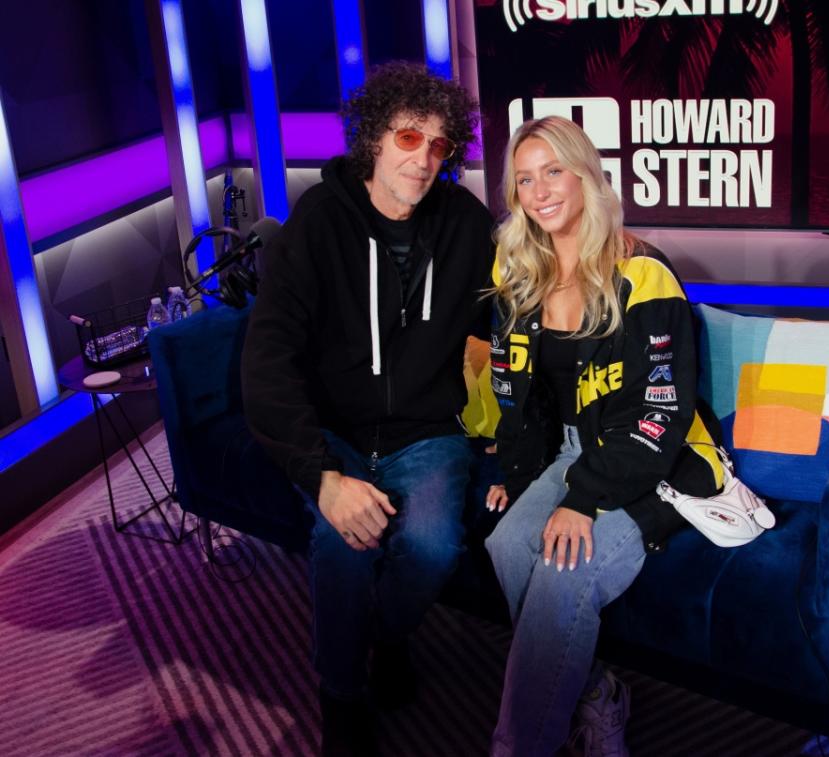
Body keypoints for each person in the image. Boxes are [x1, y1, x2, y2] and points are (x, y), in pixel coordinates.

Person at [241, 62, 494, 755]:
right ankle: (343, 695)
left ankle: (385, 633)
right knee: (342, 540)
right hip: (337, 430)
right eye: (409, 138)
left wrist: (605, 253)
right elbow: (266, 357)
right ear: (372, 139)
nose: (424, 159)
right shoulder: (319, 223)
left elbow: (500, 318)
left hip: (428, 430)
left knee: (434, 547)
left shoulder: (466, 223)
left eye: (439, 146)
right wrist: (321, 474)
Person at [484, 116, 725, 757]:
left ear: (587, 174)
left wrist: (582, 496)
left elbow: (661, 411)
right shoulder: (518, 275)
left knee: (566, 571)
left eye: (553, 171)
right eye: (525, 179)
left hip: (651, 456)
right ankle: (595, 694)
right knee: (508, 548)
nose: (540, 191)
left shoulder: (644, 273)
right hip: (566, 451)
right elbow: (517, 397)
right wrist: (518, 477)